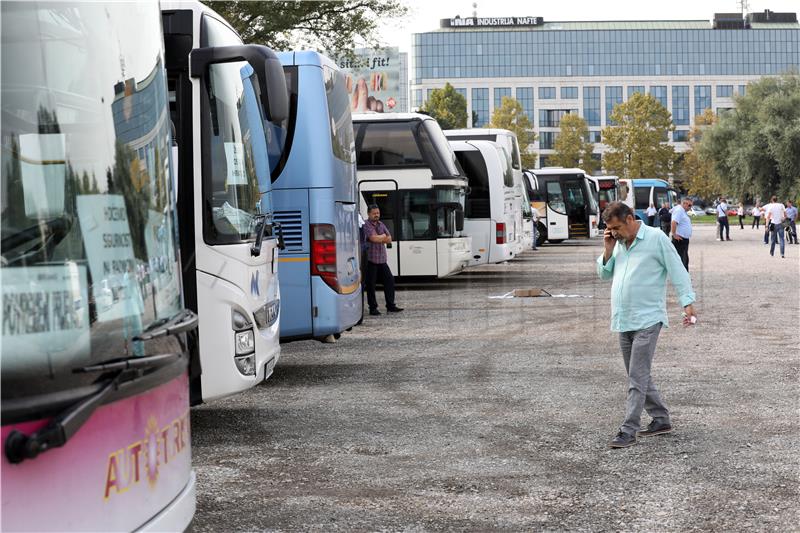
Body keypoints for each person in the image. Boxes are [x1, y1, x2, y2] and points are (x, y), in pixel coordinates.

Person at [596, 202, 697, 449]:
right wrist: (607, 250)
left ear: (631, 219)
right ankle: (661, 419)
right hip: (623, 318)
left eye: (617, 228)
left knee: (637, 377)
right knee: (637, 374)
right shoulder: (617, 243)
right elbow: (604, 275)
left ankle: (628, 430)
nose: (614, 233)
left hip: (648, 319)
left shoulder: (656, 239)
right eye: (610, 229)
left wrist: (688, 303)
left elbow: (677, 269)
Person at [362, 204, 403, 315]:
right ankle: (373, 308)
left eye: (378, 213)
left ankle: (390, 306)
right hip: (371, 260)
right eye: (374, 213)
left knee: (389, 280)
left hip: (382, 259)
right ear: (369, 214)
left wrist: (380, 237)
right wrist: (382, 236)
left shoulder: (381, 224)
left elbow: (389, 238)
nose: (377, 215)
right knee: (371, 285)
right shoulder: (366, 225)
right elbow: (373, 238)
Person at [670, 198, 693, 271]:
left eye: (691, 205)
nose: (690, 207)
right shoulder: (679, 210)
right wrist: (674, 234)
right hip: (680, 240)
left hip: (683, 239)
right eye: (689, 205)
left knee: (684, 259)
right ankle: (683, 278)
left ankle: (684, 277)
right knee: (682, 259)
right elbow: (674, 222)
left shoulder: (682, 211)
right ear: (684, 203)